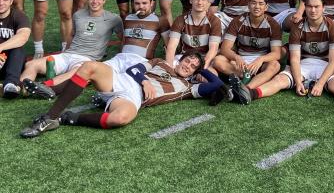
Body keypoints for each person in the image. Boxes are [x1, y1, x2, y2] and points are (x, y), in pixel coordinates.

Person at [20, 53, 226, 138]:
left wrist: (202, 71)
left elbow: (216, 83)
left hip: (134, 98)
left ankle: (67, 118)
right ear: (182, 59)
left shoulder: (188, 88)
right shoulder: (160, 62)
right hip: (126, 80)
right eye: (188, 61)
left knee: (121, 118)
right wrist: (145, 80)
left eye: (192, 67)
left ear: (194, 73)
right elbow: (134, 70)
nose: (187, 66)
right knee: (90, 67)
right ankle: (50, 117)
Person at [247, 0, 334, 107]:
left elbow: (333, 61)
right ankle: (251, 94)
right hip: (302, 64)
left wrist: (320, 84)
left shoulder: (333, 27)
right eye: (309, 6)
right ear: (305, 8)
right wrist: (298, 82)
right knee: (279, 80)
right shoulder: (298, 27)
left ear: (323, 8)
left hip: (324, 64)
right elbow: (294, 59)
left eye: (316, 7)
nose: (313, 10)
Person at [20, 0, 123, 96]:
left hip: (87, 59)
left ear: (104, 0)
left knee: (74, 73)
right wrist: (65, 51)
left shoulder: (113, 19)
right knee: (32, 64)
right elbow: (71, 35)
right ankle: (21, 87)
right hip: (68, 55)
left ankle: (44, 86)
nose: (95, 1)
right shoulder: (78, 15)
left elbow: (123, 39)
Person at [213, 0, 282, 99]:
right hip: (241, 62)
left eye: (261, 4)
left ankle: (245, 88)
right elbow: (225, 48)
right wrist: (237, 57)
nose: (257, 7)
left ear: (266, 7)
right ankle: (246, 77)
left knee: (275, 65)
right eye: (254, 3)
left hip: (260, 62)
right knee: (218, 60)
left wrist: (261, 59)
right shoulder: (237, 21)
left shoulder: (273, 25)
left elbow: (277, 53)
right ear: (248, 5)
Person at [166, 0, 222, 70]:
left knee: (210, 77)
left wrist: (202, 68)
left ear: (208, 2)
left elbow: (213, 49)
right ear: (191, 0)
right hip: (185, 57)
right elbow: (171, 47)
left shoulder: (214, 21)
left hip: (205, 58)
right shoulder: (180, 20)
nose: (200, 2)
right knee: (172, 67)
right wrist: (169, 68)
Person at [0, 0, 30, 99]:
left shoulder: (19, 16)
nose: (1, 3)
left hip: (10, 62)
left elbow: (23, 36)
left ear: (11, 1)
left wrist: (1, 47)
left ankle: (10, 84)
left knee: (18, 49)